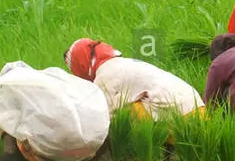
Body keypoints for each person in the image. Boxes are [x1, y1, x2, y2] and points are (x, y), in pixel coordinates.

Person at [65, 37, 203, 120]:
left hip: (182, 117)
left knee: (119, 116)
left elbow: (103, 121)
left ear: (81, 65)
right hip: (198, 108)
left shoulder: (105, 76)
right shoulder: (123, 63)